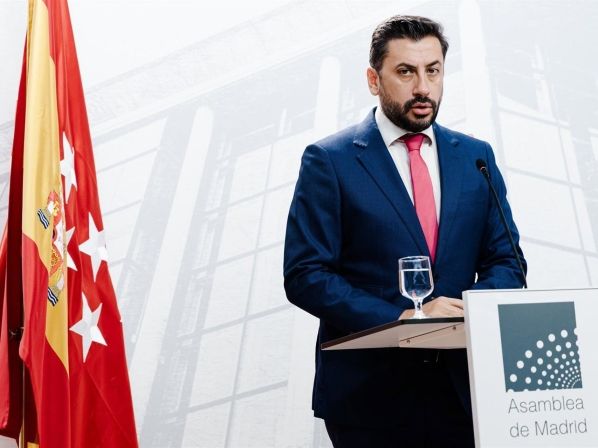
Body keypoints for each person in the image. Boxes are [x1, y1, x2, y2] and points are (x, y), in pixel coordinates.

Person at [283, 15, 527, 448]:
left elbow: (507, 261)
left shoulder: (475, 156)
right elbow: (306, 274)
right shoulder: (330, 160)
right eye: (405, 72)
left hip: (466, 392)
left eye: (433, 71)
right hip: (371, 399)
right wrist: (404, 319)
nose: (423, 88)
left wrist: (466, 310)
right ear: (373, 80)